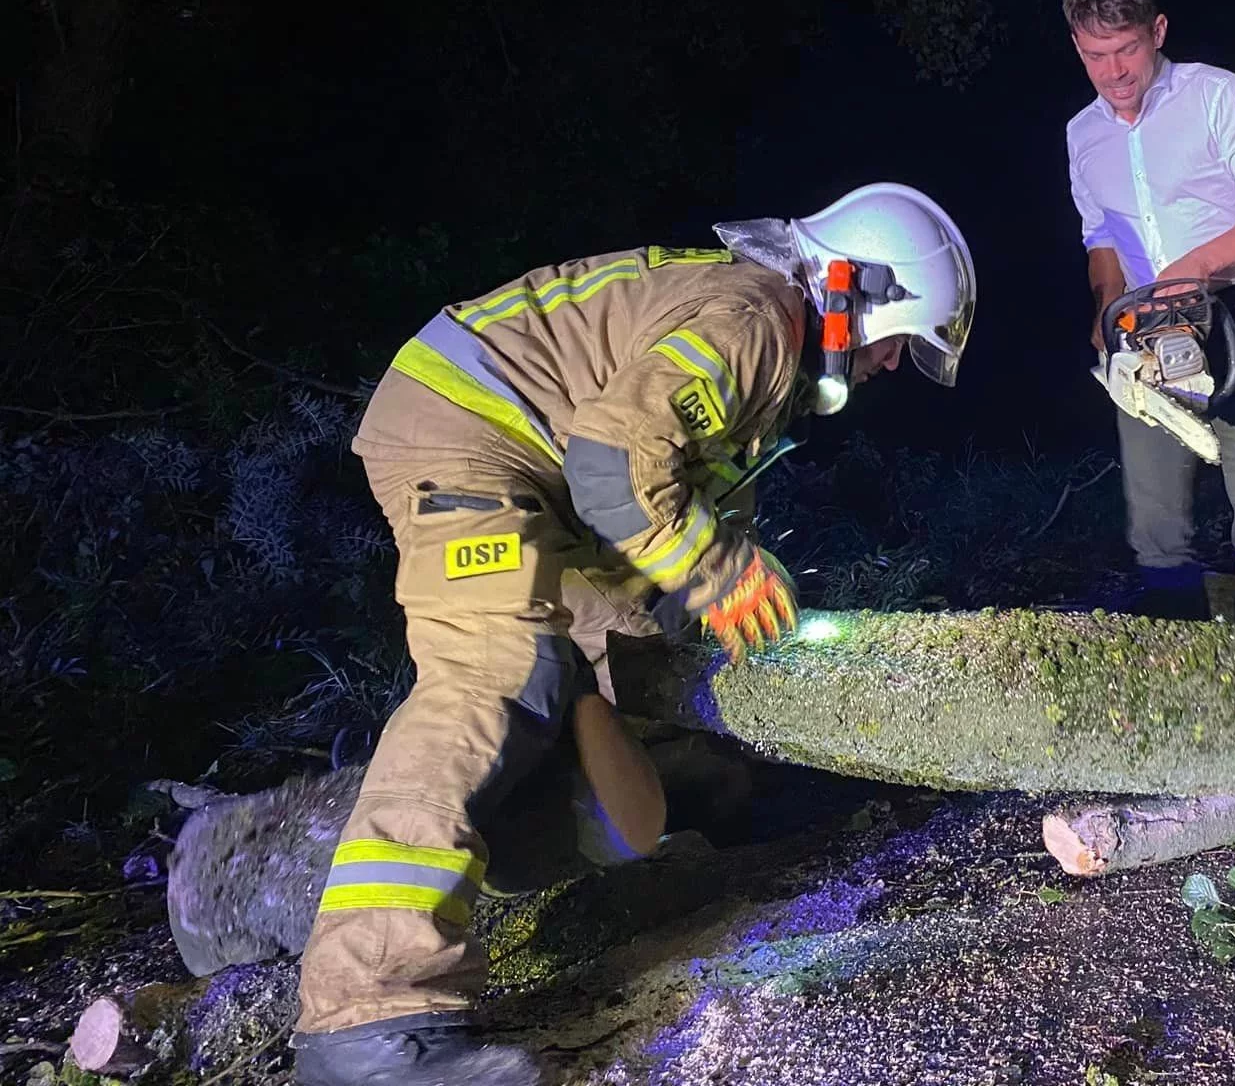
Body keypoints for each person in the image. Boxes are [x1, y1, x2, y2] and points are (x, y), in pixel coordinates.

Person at [290, 185, 974, 1085]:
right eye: (898, 343)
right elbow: (615, 465)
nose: (888, 367)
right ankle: (364, 1022)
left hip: (550, 482)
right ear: (862, 295)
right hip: (474, 434)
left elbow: (653, 528)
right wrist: (723, 569)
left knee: (628, 773)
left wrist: (711, 613)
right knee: (499, 670)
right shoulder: (758, 317)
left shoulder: (760, 352)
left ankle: (493, 824)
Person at [1062, 0, 1235, 620]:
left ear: (1158, 30)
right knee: (1155, 520)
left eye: (1127, 50)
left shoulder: (1221, 96)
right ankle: (1177, 669)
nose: (1113, 72)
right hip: (1140, 329)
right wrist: (1104, 302)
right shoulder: (1081, 135)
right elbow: (1100, 234)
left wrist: (1199, 264)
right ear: (1077, 49)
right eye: (1095, 55)